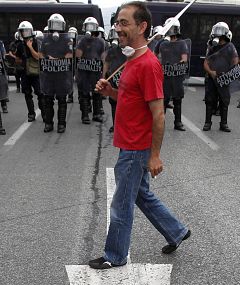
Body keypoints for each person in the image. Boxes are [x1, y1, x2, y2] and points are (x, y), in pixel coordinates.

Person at [89, 1, 189, 270]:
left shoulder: (148, 64)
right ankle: (176, 231)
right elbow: (130, 99)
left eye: (124, 23)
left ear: (142, 26)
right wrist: (110, 92)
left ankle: (115, 255)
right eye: (117, 23)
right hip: (129, 143)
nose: (117, 28)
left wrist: (154, 155)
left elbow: (158, 114)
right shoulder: (131, 59)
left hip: (136, 148)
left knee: (121, 203)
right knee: (141, 195)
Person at [202, 21, 235, 132]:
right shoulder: (212, 47)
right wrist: (211, 72)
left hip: (224, 79)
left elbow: (235, 61)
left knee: (224, 101)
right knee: (209, 101)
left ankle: (223, 124)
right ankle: (207, 123)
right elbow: (206, 63)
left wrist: (229, 73)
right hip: (212, 79)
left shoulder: (230, 47)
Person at [157, 17, 188, 129]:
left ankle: (178, 122)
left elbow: (184, 58)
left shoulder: (182, 43)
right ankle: (161, 122)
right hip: (165, 76)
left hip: (177, 76)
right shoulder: (162, 43)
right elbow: (155, 56)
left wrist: (178, 64)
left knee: (177, 99)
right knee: (164, 100)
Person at [76, 17, 106, 124]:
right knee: (84, 93)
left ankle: (96, 114)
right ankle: (85, 115)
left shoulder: (101, 42)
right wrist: (82, 42)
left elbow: (103, 58)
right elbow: (78, 55)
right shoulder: (82, 41)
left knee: (97, 92)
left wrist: (104, 73)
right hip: (84, 71)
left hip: (96, 71)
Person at [16, 20, 41, 122]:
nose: (24, 33)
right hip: (25, 73)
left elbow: (38, 57)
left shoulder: (36, 42)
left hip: (36, 72)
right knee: (27, 93)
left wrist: (30, 47)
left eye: (26, 31)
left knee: (40, 93)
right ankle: (31, 114)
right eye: (22, 31)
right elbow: (17, 59)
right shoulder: (20, 45)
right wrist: (20, 61)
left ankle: (44, 112)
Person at [103, 26, 124, 133]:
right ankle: (115, 125)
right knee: (114, 102)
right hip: (114, 78)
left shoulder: (131, 49)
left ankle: (124, 125)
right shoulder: (112, 50)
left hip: (126, 79)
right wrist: (104, 77)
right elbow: (106, 63)